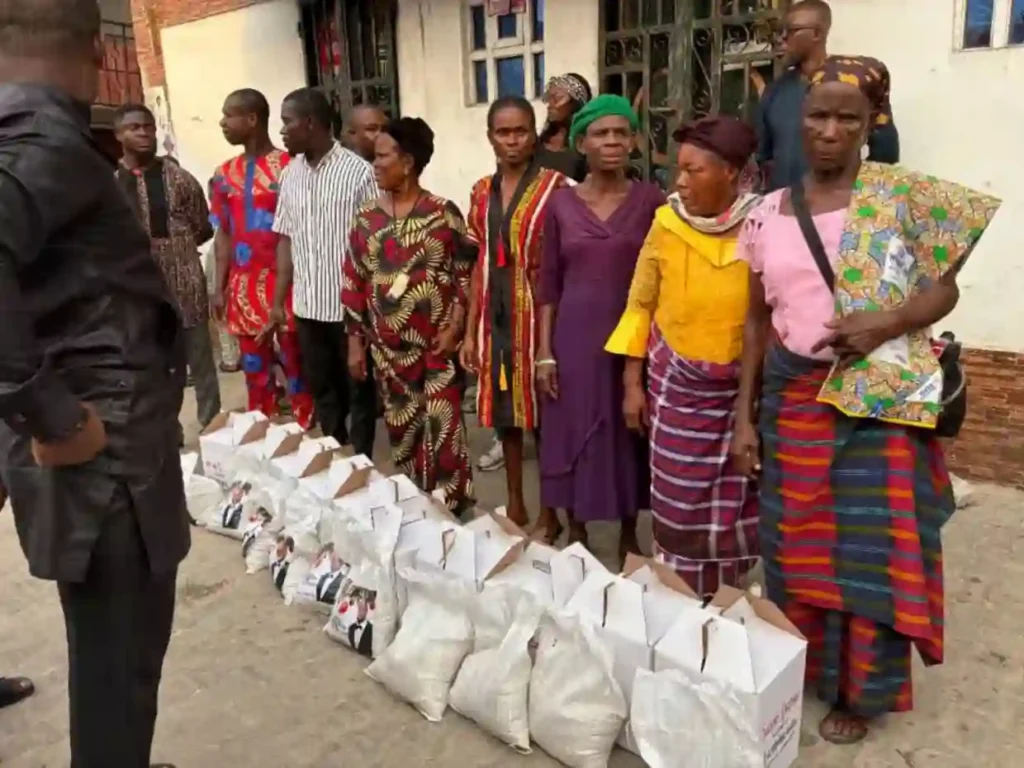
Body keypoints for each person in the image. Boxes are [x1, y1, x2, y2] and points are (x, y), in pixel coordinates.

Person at [732, 58, 1000, 744]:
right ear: (801, 119)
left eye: (846, 118)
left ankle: (861, 688)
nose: (829, 130)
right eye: (817, 115)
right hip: (793, 399)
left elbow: (943, 289)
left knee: (869, 549)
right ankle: (809, 667)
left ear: (870, 124)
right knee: (794, 546)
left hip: (876, 401)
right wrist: (743, 418)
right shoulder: (767, 212)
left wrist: (887, 322)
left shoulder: (901, 199)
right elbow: (756, 320)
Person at [0, 1, 188, 766]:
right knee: (120, 668)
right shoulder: (41, 138)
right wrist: (49, 414)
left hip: (107, 453)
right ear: (96, 55)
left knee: (114, 665)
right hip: (109, 466)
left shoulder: (33, 133)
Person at [605, 115, 762, 597]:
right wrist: (632, 383)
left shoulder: (764, 225)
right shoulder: (667, 222)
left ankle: (726, 597)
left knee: (739, 503)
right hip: (678, 391)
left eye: (694, 171)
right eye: (680, 169)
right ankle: (678, 597)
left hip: (742, 394)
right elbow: (641, 302)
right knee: (676, 504)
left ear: (731, 173)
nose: (680, 182)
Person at [535, 94, 661, 553]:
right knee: (573, 429)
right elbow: (548, 283)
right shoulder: (560, 205)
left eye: (621, 133)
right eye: (600, 133)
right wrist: (544, 352)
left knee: (630, 433)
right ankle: (577, 531)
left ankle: (629, 534)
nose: (612, 141)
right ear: (580, 142)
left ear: (634, 141)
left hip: (632, 340)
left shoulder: (651, 201)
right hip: (574, 338)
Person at [344, 117, 474, 512]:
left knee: (444, 433)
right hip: (388, 355)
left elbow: (466, 275)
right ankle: (419, 510)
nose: (375, 164)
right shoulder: (366, 218)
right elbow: (354, 279)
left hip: (437, 349)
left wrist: (456, 328)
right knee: (405, 436)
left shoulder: (442, 214)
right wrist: (356, 344)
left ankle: (453, 512)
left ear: (408, 162)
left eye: (383, 156)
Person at [461, 97, 565, 529]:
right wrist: (470, 331)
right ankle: (516, 503)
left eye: (521, 131)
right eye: (503, 132)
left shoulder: (557, 188)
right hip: (497, 327)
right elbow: (479, 263)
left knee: (544, 420)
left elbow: (562, 262)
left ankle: (550, 512)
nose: (512, 140)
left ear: (533, 135)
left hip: (539, 323)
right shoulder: (481, 192)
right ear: (490, 137)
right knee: (506, 415)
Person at [270, 88, 379, 456]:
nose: (282, 131)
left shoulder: (359, 173)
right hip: (308, 307)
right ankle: (335, 454)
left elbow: (373, 242)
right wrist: (278, 302)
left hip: (348, 309)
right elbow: (285, 238)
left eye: (287, 122)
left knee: (359, 391)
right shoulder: (290, 175)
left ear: (310, 123)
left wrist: (368, 306)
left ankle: (361, 462)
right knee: (324, 391)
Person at [113, 104, 222, 442]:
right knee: (156, 366)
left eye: (148, 126)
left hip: (185, 284)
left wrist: (176, 251)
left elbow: (202, 225)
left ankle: (213, 426)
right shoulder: (110, 184)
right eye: (134, 128)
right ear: (118, 135)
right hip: (140, 292)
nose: (144, 133)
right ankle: (168, 430)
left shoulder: (178, 178)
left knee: (201, 361)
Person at [210, 88, 314, 429]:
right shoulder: (223, 175)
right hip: (243, 286)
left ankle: (306, 430)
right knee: (254, 370)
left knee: (296, 365)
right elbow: (223, 234)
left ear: (252, 119)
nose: (223, 123)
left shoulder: (291, 168)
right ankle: (264, 429)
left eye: (229, 115)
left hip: (289, 284)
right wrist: (218, 286)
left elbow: (303, 231)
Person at [756, 0, 899, 191]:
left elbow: (885, 152)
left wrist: (859, 194)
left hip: (840, 202)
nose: (782, 38)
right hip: (786, 203)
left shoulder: (852, 84)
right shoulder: (775, 91)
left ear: (817, 33)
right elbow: (763, 157)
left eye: (790, 30)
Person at [537, 73, 592, 182]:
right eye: (548, 98)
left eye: (557, 99)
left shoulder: (586, 143)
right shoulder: (539, 142)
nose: (550, 105)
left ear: (575, 104)